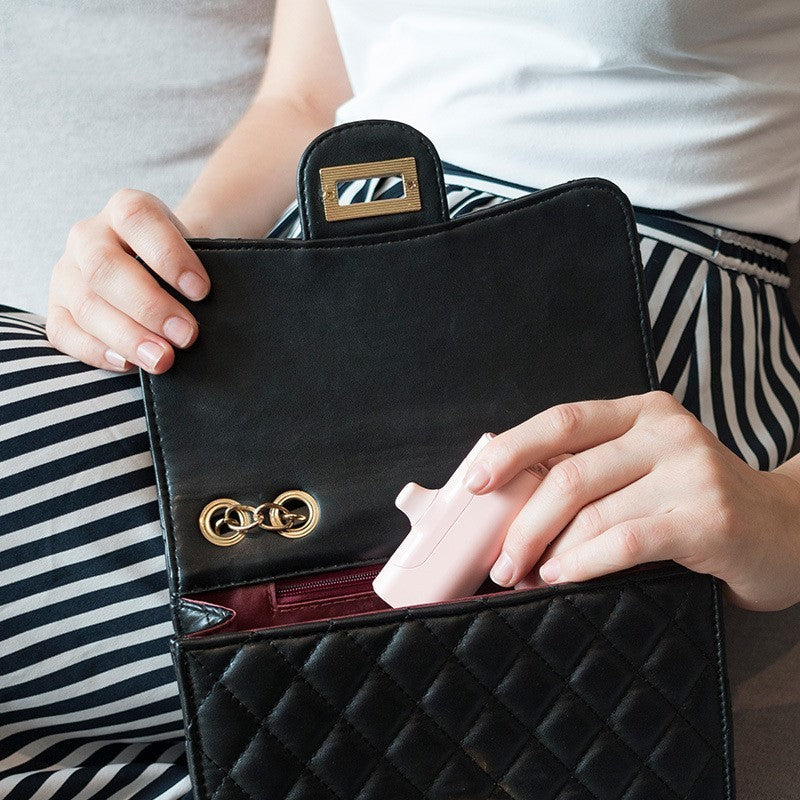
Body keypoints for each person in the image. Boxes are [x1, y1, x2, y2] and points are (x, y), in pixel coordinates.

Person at [2, 1, 799, 798]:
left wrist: (788, 512)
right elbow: (302, 102)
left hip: (609, 311)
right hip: (295, 295)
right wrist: (166, 267)